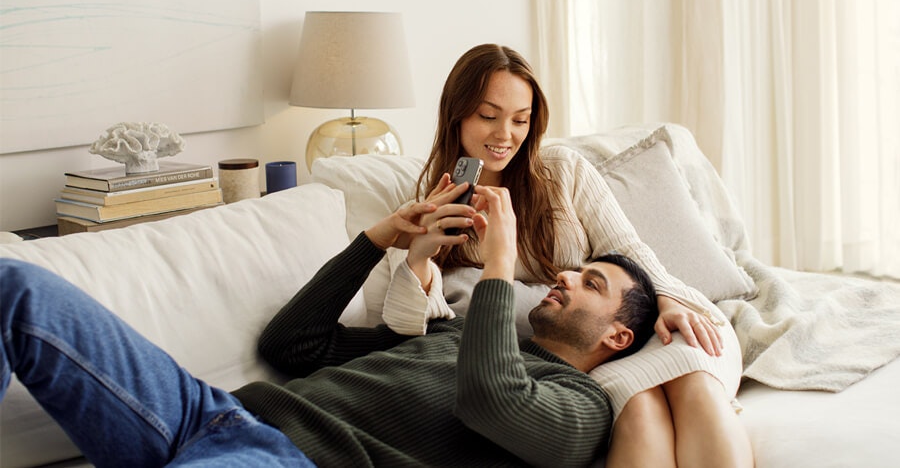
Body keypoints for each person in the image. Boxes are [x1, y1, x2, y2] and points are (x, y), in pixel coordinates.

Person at [1, 182, 660, 468]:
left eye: (591, 284)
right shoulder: (458, 336)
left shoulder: (580, 413)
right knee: (17, 288)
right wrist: (378, 240)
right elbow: (294, 346)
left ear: (617, 338)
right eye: (575, 270)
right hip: (207, 413)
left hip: (284, 459)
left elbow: (492, 397)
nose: (566, 278)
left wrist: (500, 260)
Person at [380, 44, 753, 467]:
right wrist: (421, 255)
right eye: (489, 116)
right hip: (582, 352)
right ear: (456, 115)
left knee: (694, 378)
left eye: (520, 120)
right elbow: (410, 327)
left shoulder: (561, 169)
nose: (506, 135)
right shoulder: (430, 202)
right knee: (638, 401)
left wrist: (667, 298)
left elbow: (627, 248)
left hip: (650, 312)